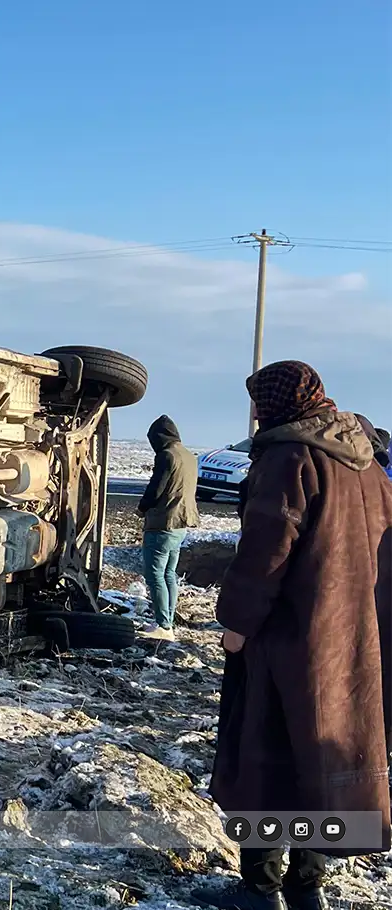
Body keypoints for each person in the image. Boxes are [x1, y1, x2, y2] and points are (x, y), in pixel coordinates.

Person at [192, 361, 392, 910]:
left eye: (259, 400)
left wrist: (236, 623)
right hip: (353, 639)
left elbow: (265, 554)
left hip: (288, 638)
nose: (255, 412)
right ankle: (307, 885)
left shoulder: (289, 458)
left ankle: (261, 889)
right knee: (316, 762)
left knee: (263, 756)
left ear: (281, 402)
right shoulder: (367, 464)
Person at [136, 414, 200, 641]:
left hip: (162, 523)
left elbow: (156, 489)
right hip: (181, 523)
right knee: (169, 574)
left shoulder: (166, 456)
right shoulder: (189, 456)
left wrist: (142, 508)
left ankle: (163, 626)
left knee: (154, 575)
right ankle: (168, 621)